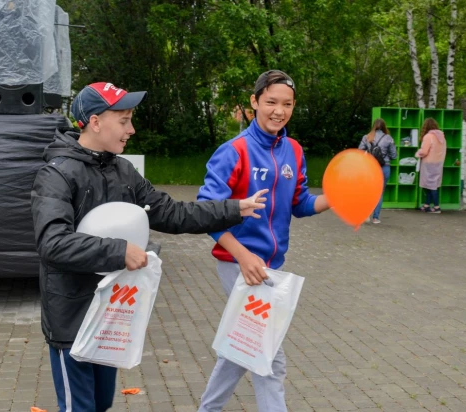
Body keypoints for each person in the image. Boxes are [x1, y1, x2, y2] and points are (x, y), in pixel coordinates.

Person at [30, 82, 268, 412]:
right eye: (124, 120)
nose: (132, 129)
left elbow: (172, 213)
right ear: (96, 122)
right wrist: (118, 251)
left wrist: (233, 208)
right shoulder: (56, 174)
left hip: (110, 313)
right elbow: (52, 243)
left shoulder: (123, 170)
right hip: (71, 320)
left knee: (100, 404)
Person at [196, 70, 330, 412]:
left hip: (272, 267)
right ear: (254, 102)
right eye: (271, 102)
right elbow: (205, 213)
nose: (278, 111)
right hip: (238, 264)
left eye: (286, 104)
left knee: (242, 348)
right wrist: (242, 256)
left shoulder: (294, 150)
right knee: (270, 355)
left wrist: (336, 197)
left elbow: (300, 203)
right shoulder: (234, 151)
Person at [358, 118, 397, 224]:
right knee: (379, 193)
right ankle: (376, 218)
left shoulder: (367, 137)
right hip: (385, 167)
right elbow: (394, 155)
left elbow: (360, 151)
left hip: (371, 168)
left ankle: (366, 215)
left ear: (373, 126)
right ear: (384, 127)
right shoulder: (388, 138)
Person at [416, 117, 446, 213]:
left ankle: (437, 207)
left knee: (431, 185)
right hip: (439, 163)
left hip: (429, 163)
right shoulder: (442, 137)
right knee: (432, 185)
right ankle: (426, 205)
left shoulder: (428, 136)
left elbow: (424, 151)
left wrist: (417, 153)